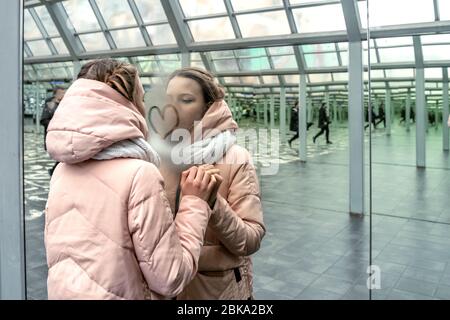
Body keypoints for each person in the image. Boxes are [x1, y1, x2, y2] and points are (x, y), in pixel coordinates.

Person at [44, 59, 222, 300]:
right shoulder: (140, 173)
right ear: (127, 104)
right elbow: (170, 277)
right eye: (142, 99)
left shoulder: (62, 170)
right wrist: (195, 202)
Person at [152, 67, 265, 300]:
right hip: (161, 288)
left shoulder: (236, 158)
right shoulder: (151, 156)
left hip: (216, 291)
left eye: (186, 100)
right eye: (168, 100)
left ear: (208, 108)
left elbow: (250, 240)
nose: (172, 108)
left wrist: (213, 202)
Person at [40, 87, 65, 176]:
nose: (63, 95)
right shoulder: (50, 105)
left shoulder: (64, 104)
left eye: (63, 93)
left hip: (62, 134)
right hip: (53, 134)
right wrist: (55, 124)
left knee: (62, 155)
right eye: (61, 93)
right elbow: (43, 120)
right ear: (55, 94)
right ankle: (54, 171)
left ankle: (54, 171)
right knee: (61, 155)